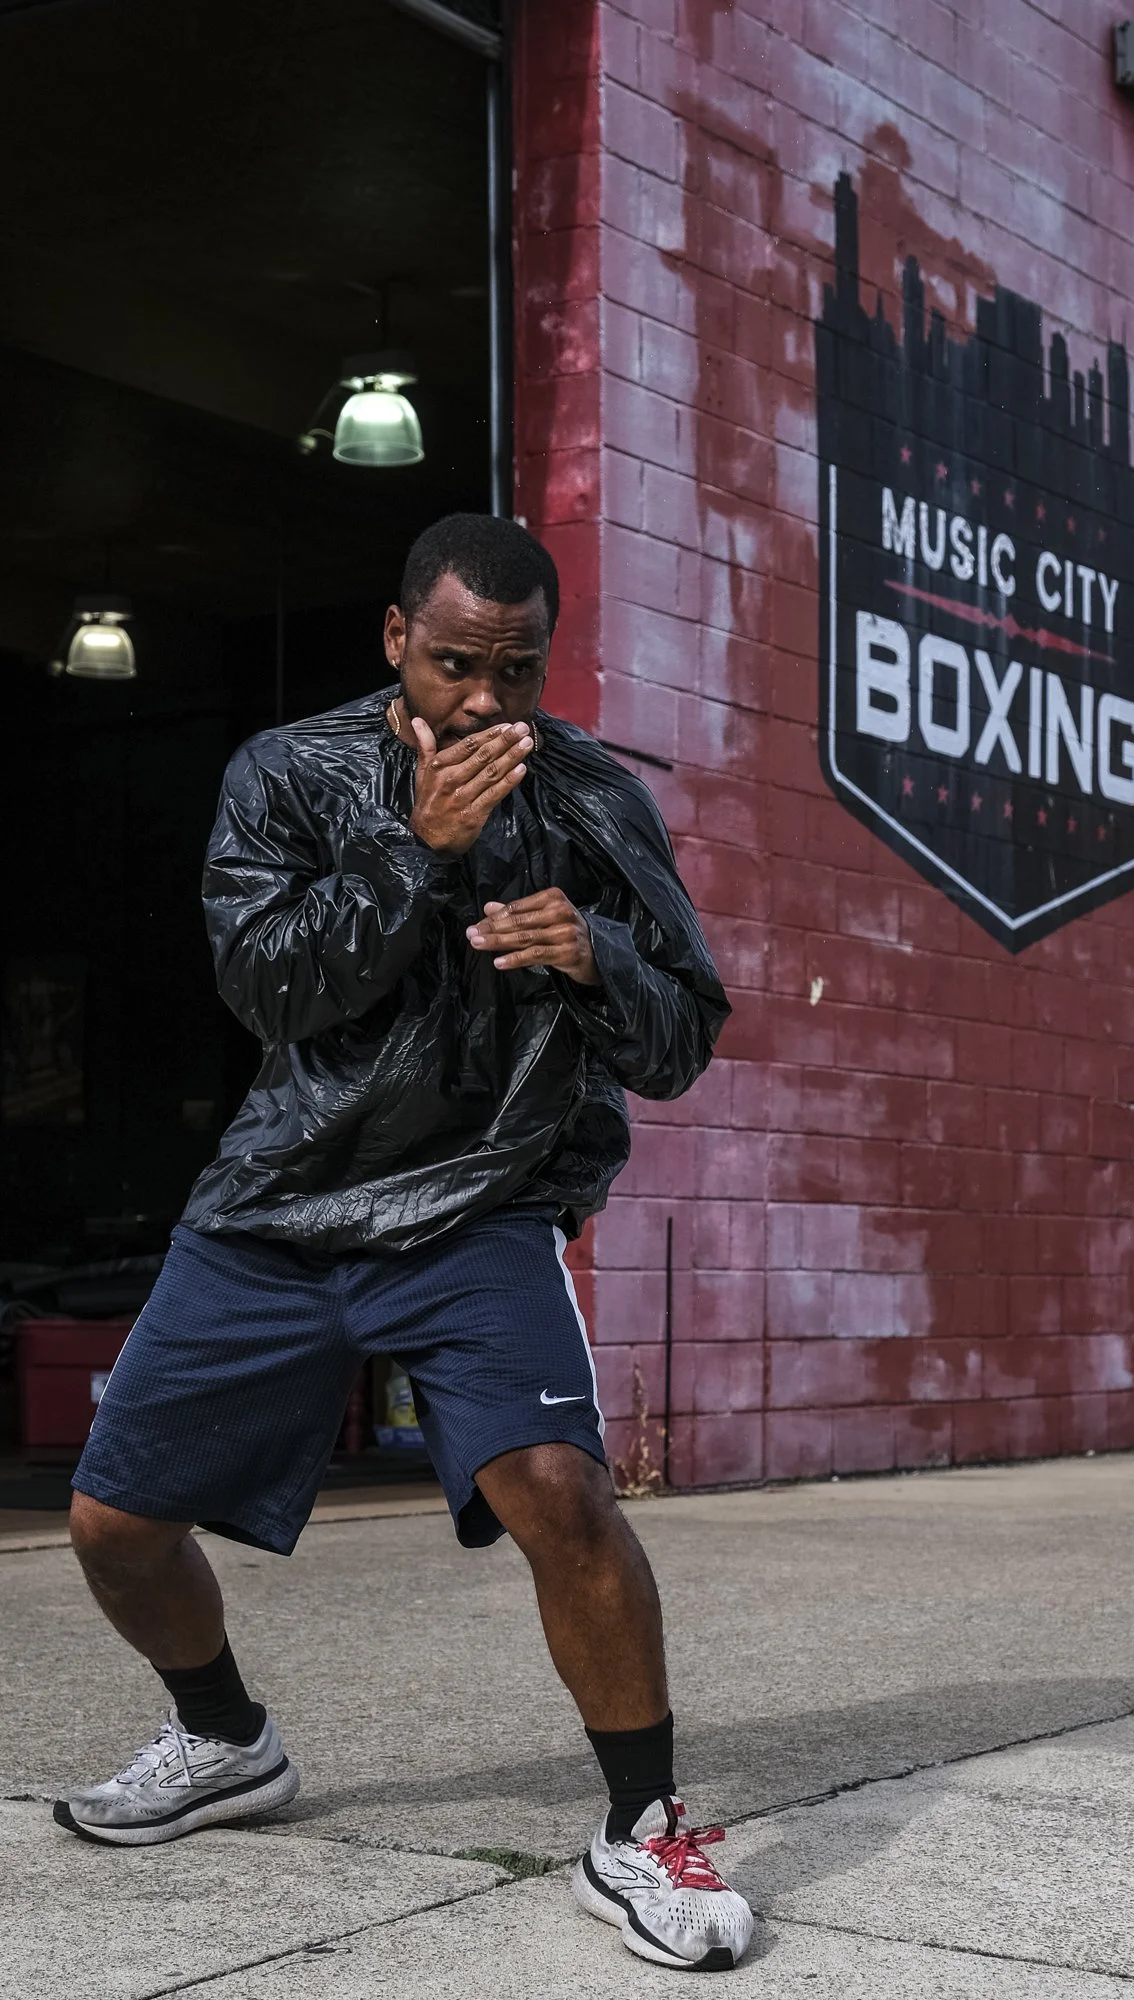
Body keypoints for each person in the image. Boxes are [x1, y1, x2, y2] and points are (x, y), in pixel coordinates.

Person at [55, 514, 754, 1973]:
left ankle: (642, 1828)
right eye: (452, 665)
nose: (485, 701)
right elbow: (267, 990)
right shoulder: (288, 772)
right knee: (115, 1526)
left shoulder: (597, 802)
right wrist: (417, 854)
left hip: (482, 1203)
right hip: (283, 1203)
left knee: (563, 1492)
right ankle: (225, 1741)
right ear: (396, 641)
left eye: (517, 671)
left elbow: (686, 1037)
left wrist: (600, 960)